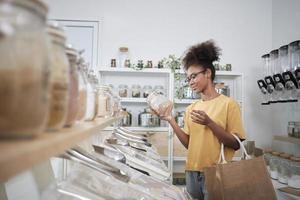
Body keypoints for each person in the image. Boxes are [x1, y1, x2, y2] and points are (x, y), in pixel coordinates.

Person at [158, 40, 246, 200]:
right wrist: (171, 120)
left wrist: (210, 123)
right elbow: (189, 144)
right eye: (188, 78)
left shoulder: (229, 104)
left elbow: (235, 144)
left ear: (207, 73)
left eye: (194, 76)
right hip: (191, 171)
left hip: (216, 172)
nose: (190, 82)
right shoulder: (191, 108)